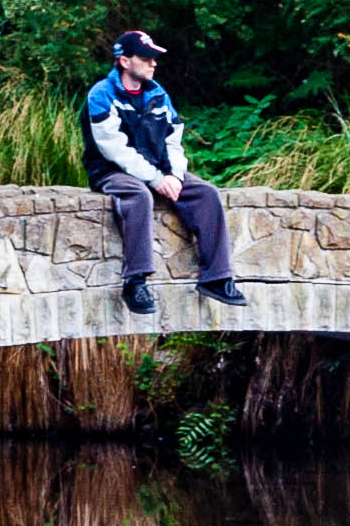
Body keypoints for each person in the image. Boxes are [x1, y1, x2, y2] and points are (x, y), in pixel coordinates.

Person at [82, 30, 245, 315]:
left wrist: (175, 176)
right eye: (145, 58)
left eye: (154, 58)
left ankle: (217, 278)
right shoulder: (101, 95)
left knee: (206, 193)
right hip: (110, 171)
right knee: (139, 195)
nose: (153, 64)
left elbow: (173, 139)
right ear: (124, 61)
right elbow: (114, 150)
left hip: (158, 168)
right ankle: (136, 281)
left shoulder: (158, 94)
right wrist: (157, 179)